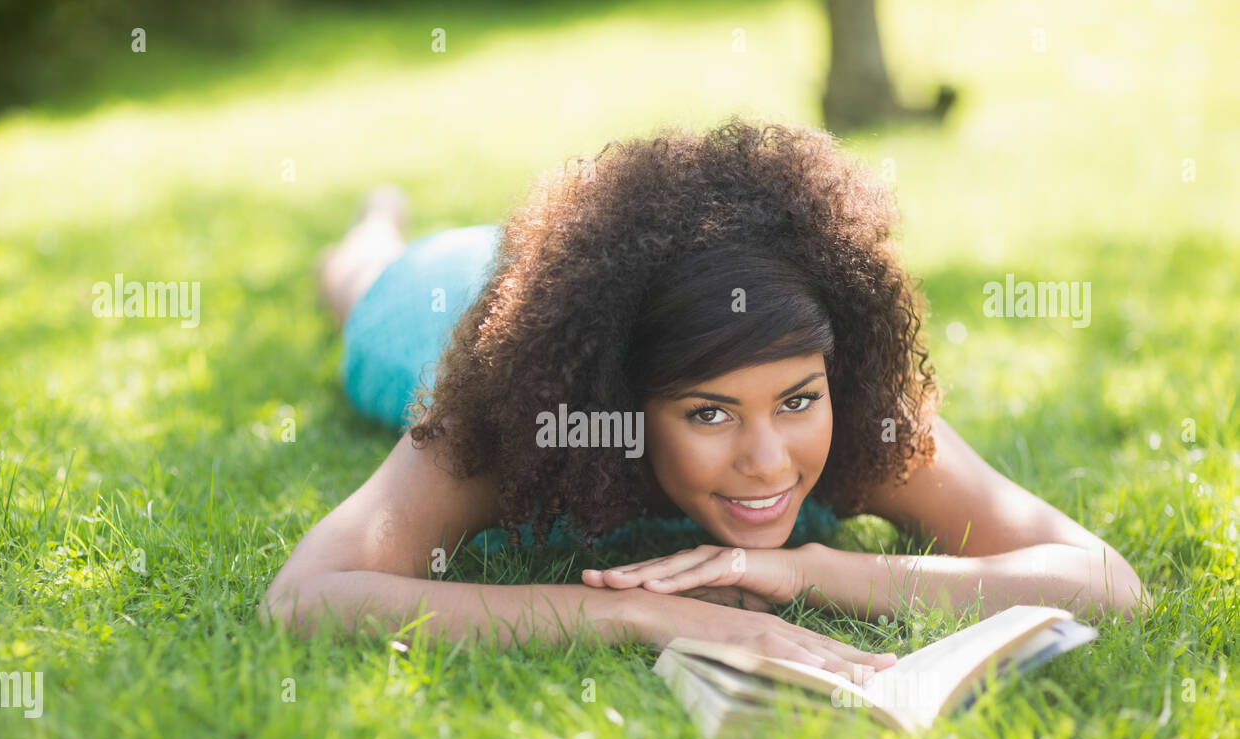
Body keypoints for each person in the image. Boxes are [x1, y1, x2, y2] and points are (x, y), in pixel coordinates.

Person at [262, 117, 1146, 680]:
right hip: (446, 303)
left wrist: (810, 572)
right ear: (618, 399)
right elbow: (305, 597)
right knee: (359, 281)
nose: (769, 460)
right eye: (709, 413)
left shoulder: (856, 415)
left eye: (796, 400)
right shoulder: (521, 418)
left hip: (580, 280)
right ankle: (377, 223)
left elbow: (1107, 583)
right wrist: (642, 613)